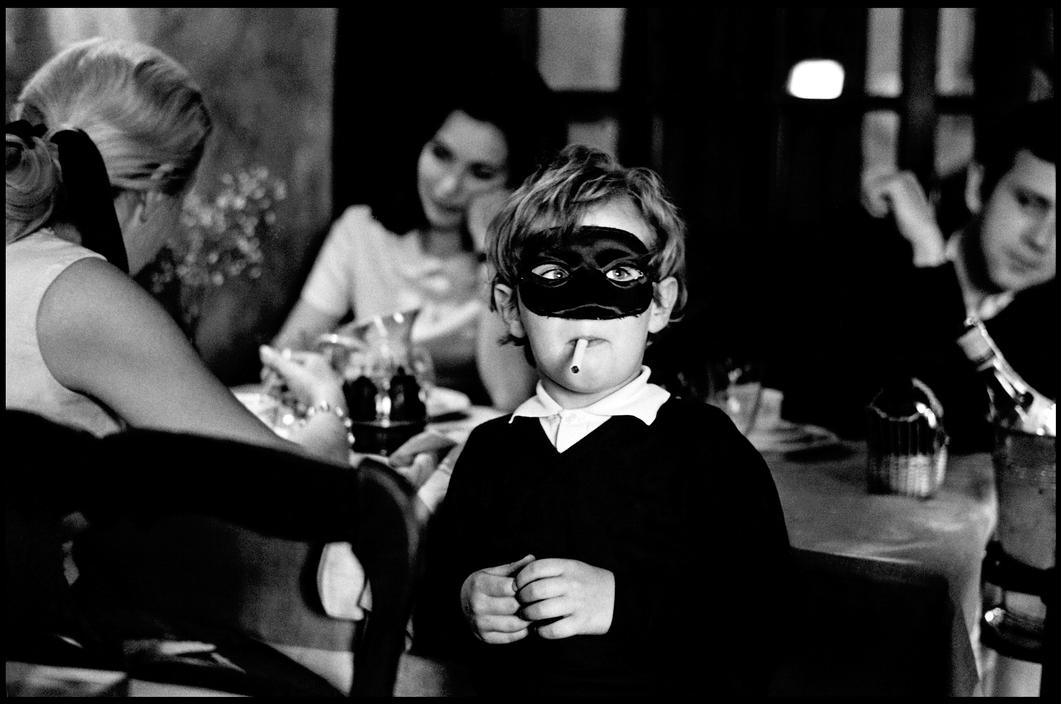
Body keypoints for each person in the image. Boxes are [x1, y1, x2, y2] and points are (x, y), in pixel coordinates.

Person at [411, 145, 791, 696]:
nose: (585, 308)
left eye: (618, 272)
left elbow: (766, 618)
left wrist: (621, 604)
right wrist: (467, 601)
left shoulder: (707, 450)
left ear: (659, 304)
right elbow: (436, 608)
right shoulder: (490, 452)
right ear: (511, 308)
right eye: (552, 273)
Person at [6, 37, 350, 466]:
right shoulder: (80, 292)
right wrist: (328, 404)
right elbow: (292, 489)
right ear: (153, 196)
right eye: (181, 201)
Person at [272, 50, 565, 411]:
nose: (447, 187)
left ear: (516, 182)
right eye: (440, 154)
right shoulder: (361, 232)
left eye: (481, 173)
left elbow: (510, 395)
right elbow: (290, 350)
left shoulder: (528, 260)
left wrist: (494, 248)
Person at [781, 99, 1054, 453]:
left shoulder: (1049, 325)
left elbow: (970, 434)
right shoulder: (861, 267)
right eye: (1029, 203)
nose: (1041, 240)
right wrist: (928, 260)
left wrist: (931, 263)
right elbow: (838, 416)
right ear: (977, 186)